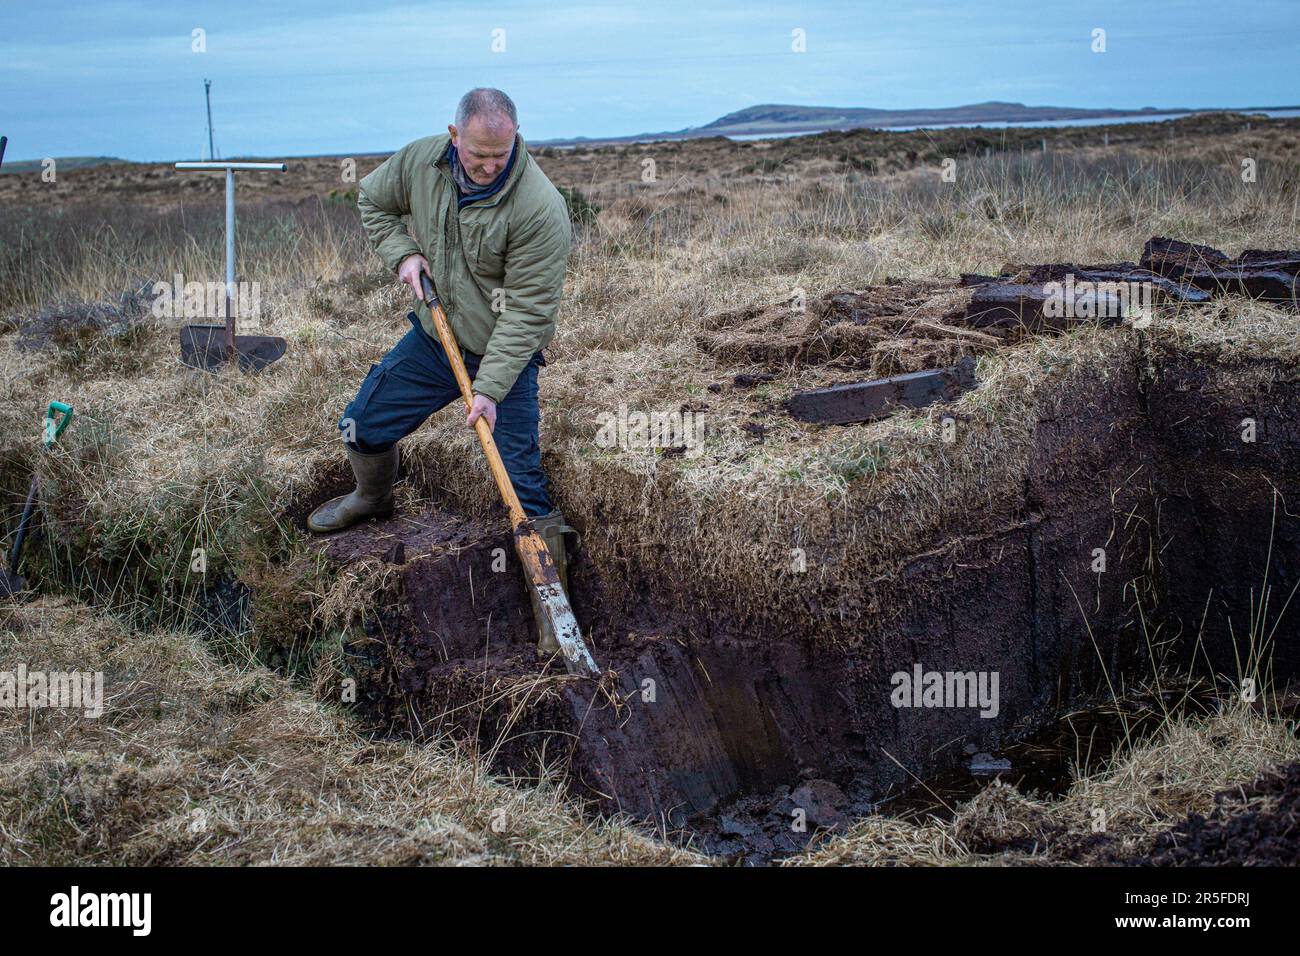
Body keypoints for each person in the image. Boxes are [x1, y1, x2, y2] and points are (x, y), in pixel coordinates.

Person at [308, 87, 576, 656]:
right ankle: (372, 497)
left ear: (515, 142)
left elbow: (527, 314)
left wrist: (490, 389)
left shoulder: (540, 208)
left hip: (505, 351)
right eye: (477, 153)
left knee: (521, 482)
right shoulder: (421, 162)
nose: (486, 166)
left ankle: (556, 617)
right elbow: (372, 201)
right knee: (362, 424)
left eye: (499, 156)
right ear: (455, 137)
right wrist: (404, 254)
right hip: (437, 339)